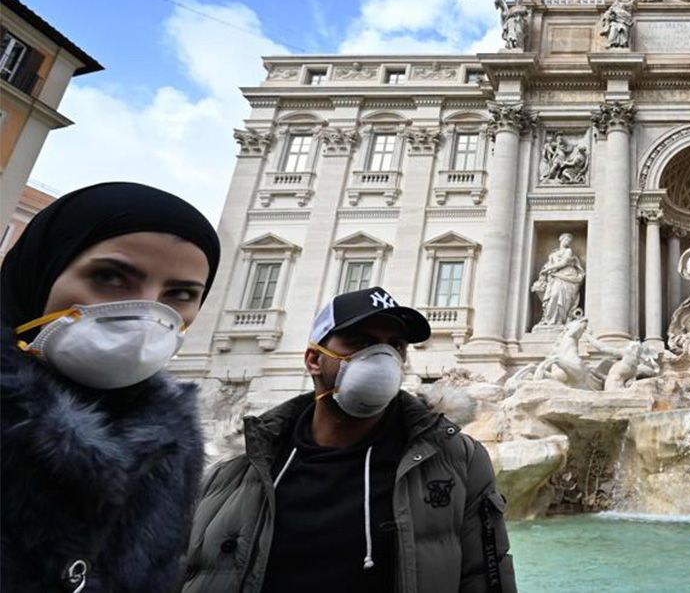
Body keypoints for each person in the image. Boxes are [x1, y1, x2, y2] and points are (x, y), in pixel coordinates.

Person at [183, 286, 516, 592]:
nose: (383, 358)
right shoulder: (232, 473)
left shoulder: (457, 461)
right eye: (362, 342)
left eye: (395, 346)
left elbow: (486, 577)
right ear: (314, 359)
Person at [1, 182, 220, 592]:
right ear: (41, 269)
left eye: (181, 294)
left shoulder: (173, 451)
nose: (147, 311)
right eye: (109, 277)